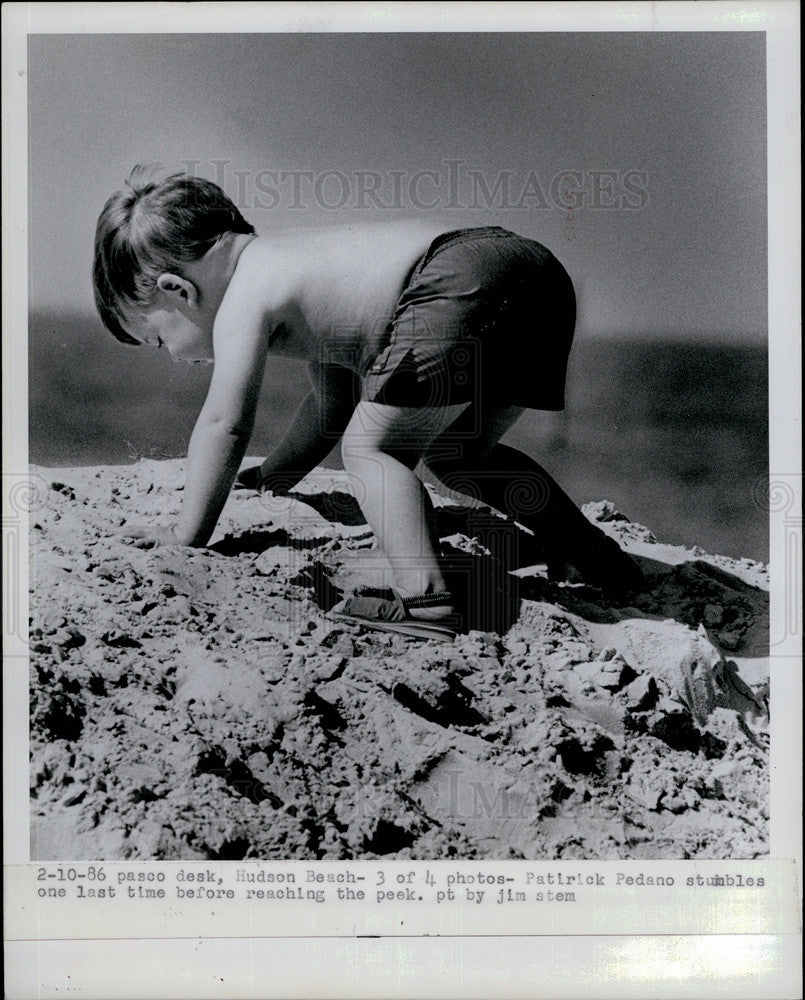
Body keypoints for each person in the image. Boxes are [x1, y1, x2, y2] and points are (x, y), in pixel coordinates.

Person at [94, 168, 643, 640]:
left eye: (158, 339)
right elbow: (332, 408)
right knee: (462, 455)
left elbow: (225, 423)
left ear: (177, 290)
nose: (171, 357)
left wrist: (186, 532)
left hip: (456, 279)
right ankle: (589, 553)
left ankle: (426, 598)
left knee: (374, 452)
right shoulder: (299, 269)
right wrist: (276, 477)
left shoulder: (243, 297)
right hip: (530, 276)